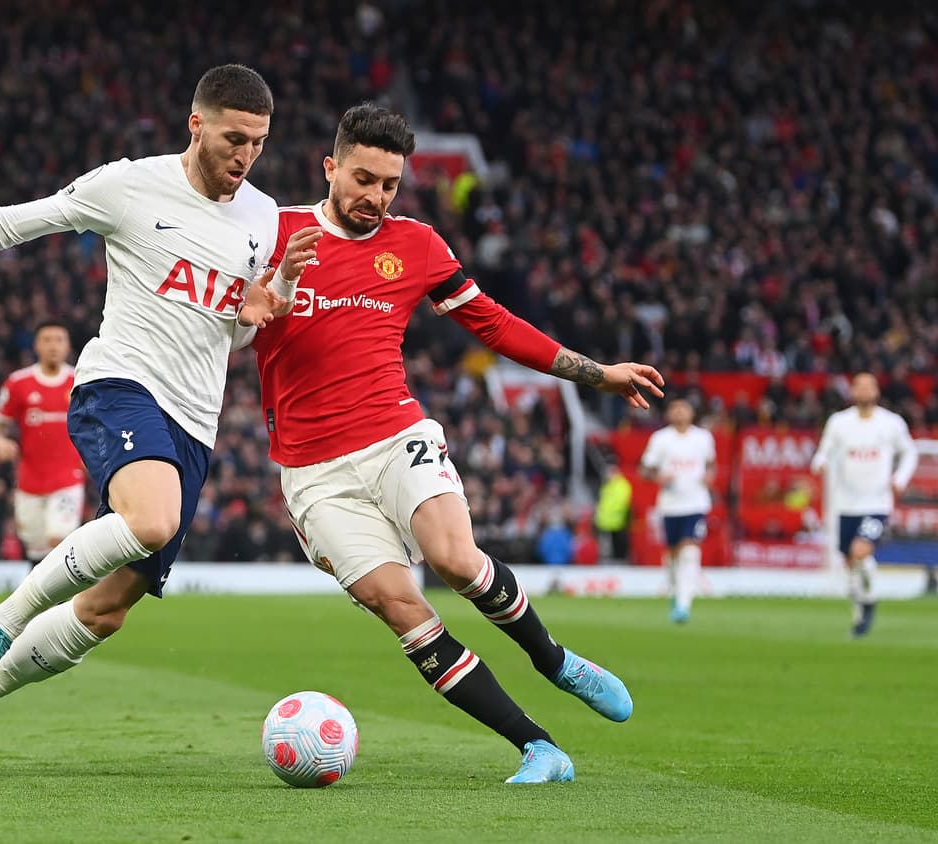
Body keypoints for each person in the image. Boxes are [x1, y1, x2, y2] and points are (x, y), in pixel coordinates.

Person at [0, 64, 303, 775]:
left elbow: (229, 333)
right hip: (120, 384)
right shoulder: (129, 186)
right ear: (196, 124)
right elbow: (11, 222)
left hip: (194, 425)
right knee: (152, 519)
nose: (246, 155)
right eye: (235, 138)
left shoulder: (262, 216)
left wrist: (268, 299)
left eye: (259, 142)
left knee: (106, 611)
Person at [246, 105, 664, 784]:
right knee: (402, 608)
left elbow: (493, 324)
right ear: (330, 168)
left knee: (455, 560)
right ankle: (539, 747)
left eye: (389, 184)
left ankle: (555, 661)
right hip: (312, 471)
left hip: (395, 433)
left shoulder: (416, 245)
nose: (376, 196)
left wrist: (597, 373)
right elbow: (234, 322)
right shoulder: (274, 233)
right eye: (363, 179)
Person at [811, 373, 917, 638]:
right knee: (850, 562)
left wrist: (900, 478)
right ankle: (860, 611)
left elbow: (910, 452)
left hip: (877, 502)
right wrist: (820, 462)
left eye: (869, 386)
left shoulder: (891, 423)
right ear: (852, 391)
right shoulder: (839, 422)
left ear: (877, 391)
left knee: (861, 551)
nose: (864, 391)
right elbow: (824, 450)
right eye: (859, 386)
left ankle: (869, 604)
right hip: (846, 503)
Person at [0, 320, 85, 565]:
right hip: (29, 481)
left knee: (59, 541)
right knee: (35, 549)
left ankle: (61, 591)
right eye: (47, 340)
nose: (53, 346)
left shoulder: (80, 381)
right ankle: (38, 590)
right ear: (36, 345)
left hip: (67, 479)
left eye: (59, 340)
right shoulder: (18, 382)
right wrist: (0, 441)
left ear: (68, 346)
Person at [639, 399, 716, 624]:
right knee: (672, 553)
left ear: (692, 413)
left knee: (689, 549)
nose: (680, 412)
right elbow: (645, 470)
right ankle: (675, 591)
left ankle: (684, 604)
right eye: (676, 408)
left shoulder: (703, 437)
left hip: (696, 503)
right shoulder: (660, 439)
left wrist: (709, 476)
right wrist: (658, 477)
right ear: (669, 414)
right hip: (670, 505)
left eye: (684, 408)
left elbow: (711, 463)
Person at [594, 463, 632, 563]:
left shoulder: (622, 485)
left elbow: (621, 502)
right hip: (605, 522)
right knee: (607, 548)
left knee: (618, 545)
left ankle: (620, 560)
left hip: (616, 521)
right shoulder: (607, 486)